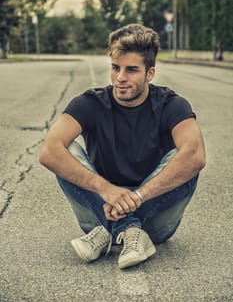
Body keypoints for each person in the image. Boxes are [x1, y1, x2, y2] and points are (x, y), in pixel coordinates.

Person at [39, 23, 206, 270]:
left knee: (184, 156)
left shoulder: (172, 105)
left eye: (131, 70)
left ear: (150, 73)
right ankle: (128, 231)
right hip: (101, 208)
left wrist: (137, 197)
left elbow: (195, 156)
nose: (120, 78)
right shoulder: (91, 102)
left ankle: (111, 233)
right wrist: (106, 190)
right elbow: (49, 151)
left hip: (155, 217)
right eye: (115, 68)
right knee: (66, 150)